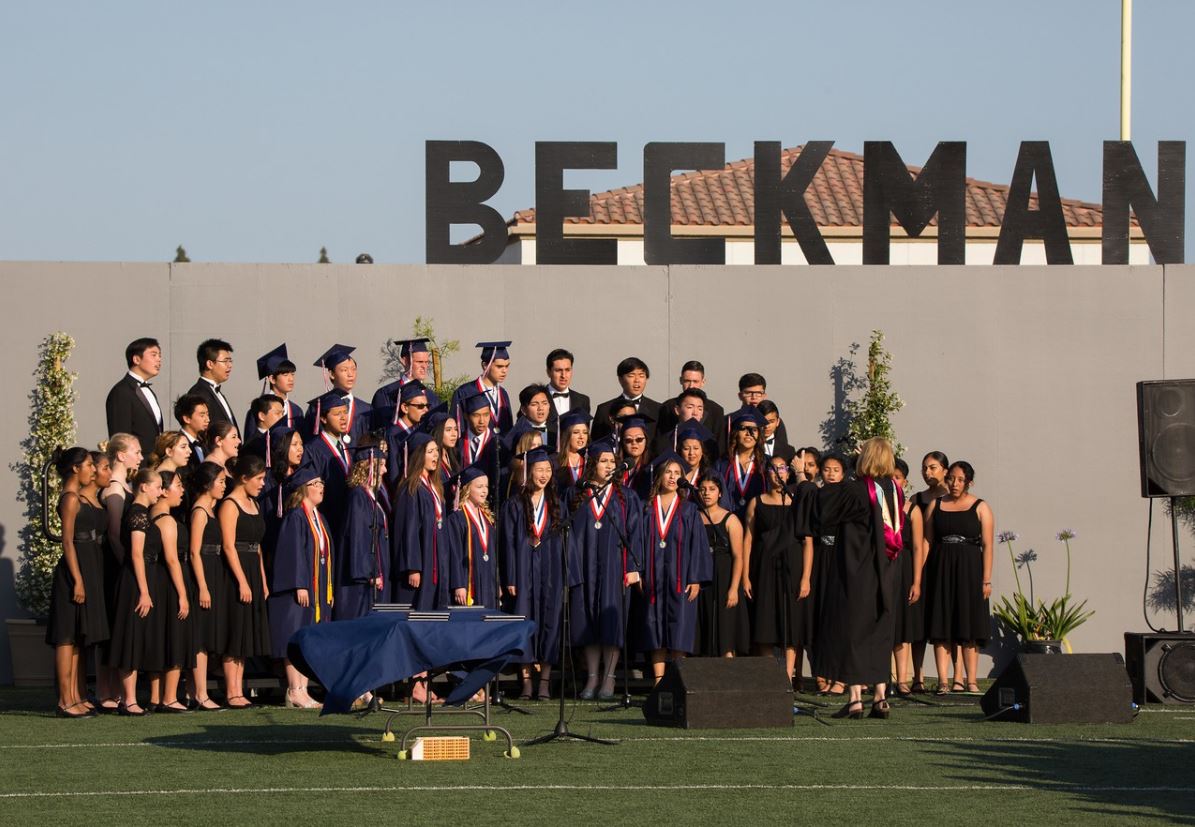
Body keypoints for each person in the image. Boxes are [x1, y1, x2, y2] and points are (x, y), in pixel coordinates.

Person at [813, 438, 904, 721]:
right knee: (879, 631)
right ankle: (880, 696)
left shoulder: (855, 490)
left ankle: (854, 699)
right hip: (886, 571)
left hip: (857, 572)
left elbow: (825, 510)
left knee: (853, 632)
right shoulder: (894, 490)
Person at [568, 437, 643, 699]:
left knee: (611, 623)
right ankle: (592, 678)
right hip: (585, 567)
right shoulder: (577, 495)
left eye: (612, 461)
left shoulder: (627, 497)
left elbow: (635, 534)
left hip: (615, 567)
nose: (609, 465)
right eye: (604, 461)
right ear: (593, 465)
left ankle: (610, 678)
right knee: (587, 622)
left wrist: (633, 567)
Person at [501, 447, 577, 700]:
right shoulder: (514, 504)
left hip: (550, 570)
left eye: (547, 470)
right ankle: (526, 683)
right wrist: (510, 576)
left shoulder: (557, 504)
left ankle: (544, 682)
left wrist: (568, 575)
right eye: (538, 469)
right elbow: (509, 542)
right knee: (524, 624)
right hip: (523, 570)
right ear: (528, 471)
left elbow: (568, 542)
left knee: (550, 623)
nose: (543, 474)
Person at [635, 452, 712, 682]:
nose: (672, 477)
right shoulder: (646, 508)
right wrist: (638, 571)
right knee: (654, 627)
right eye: (668, 472)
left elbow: (697, 546)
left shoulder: (688, 510)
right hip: (653, 577)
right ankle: (659, 681)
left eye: (677, 473)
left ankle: (679, 680)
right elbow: (637, 541)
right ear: (659, 475)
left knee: (680, 627)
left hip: (680, 577)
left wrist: (696, 578)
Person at [45, 448, 109, 717]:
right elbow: (68, 542)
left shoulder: (82, 498)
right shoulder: (70, 498)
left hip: (89, 565)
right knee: (66, 637)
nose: (92, 470)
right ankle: (64, 700)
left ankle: (75, 696)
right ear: (75, 469)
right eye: (88, 465)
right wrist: (78, 580)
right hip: (74, 571)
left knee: (78, 639)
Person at [923, 461, 994, 695]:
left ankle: (969, 680)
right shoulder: (936, 504)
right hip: (941, 569)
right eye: (951, 478)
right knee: (942, 624)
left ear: (969, 482)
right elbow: (927, 541)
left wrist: (986, 579)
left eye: (960, 479)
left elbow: (988, 545)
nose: (954, 483)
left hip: (970, 570)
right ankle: (944, 680)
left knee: (969, 625)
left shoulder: (981, 507)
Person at [269, 467, 333, 709]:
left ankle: (303, 690)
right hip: (298, 591)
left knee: (307, 639)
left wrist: (328, 589)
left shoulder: (318, 516)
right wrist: (299, 584)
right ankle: (295, 689)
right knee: (294, 638)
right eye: (316, 483)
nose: (321, 487)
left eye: (321, 483)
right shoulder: (296, 516)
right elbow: (292, 553)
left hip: (315, 591)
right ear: (304, 488)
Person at [744, 456, 809, 685]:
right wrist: (744, 576)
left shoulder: (797, 501)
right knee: (765, 622)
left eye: (782, 468)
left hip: (792, 566)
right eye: (772, 468)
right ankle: (770, 677)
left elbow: (807, 542)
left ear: (788, 472)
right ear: (765, 473)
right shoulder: (756, 502)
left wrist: (806, 578)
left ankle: (787, 679)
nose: (777, 472)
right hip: (763, 566)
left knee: (790, 625)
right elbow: (748, 540)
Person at [106, 468, 164, 716]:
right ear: (144, 486)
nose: (161, 492)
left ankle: (129, 698)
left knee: (138, 636)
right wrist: (144, 591)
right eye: (158, 486)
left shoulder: (142, 514)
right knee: (130, 636)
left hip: (142, 578)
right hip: (135, 582)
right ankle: (128, 700)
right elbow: (137, 554)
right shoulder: (138, 514)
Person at [218, 455, 270, 709]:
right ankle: (232, 691)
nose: (262, 484)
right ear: (244, 478)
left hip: (252, 569)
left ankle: (239, 690)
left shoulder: (255, 504)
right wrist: (242, 582)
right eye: (258, 479)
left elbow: (258, 547)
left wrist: (261, 579)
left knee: (246, 632)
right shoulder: (229, 504)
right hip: (235, 573)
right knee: (235, 630)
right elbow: (228, 546)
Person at [97, 433, 142, 711]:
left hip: (123, 565)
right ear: (121, 455)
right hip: (115, 567)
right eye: (135, 451)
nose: (140, 455)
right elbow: (113, 534)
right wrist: (130, 565)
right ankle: (105, 692)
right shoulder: (114, 490)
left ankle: (111, 691)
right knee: (110, 627)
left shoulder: (124, 486)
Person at [151, 470, 194, 713]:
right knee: (175, 636)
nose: (182, 490)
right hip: (171, 581)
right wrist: (183, 594)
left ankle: (158, 697)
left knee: (162, 637)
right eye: (178, 485)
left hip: (159, 581)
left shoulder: (152, 515)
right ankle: (169, 697)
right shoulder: (166, 520)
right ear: (164, 491)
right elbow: (172, 559)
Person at [392, 433, 451, 609]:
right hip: (421, 563)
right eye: (430, 452)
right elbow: (408, 529)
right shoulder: (411, 489)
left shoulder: (435, 487)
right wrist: (413, 567)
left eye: (437, 451)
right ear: (419, 456)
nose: (436, 456)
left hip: (435, 559)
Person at [186, 462, 227, 710]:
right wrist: (202, 586)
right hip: (204, 574)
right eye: (220, 481)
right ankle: (200, 694)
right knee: (200, 638)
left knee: (207, 636)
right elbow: (194, 551)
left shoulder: (211, 509)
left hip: (214, 571)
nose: (223, 486)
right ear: (207, 483)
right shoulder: (200, 511)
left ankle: (196, 691)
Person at [694, 473, 748, 658]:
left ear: (719, 493)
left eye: (711, 489)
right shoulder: (694, 517)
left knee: (725, 630)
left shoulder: (730, 519)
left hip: (725, 578)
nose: (706, 493)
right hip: (703, 578)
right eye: (702, 489)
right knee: (704, 627)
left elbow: (738, 556)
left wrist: (734, 588)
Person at [334, 439, 389, 620]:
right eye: (380, 465)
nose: (385, 470)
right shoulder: (358, 495)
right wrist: (369, 573)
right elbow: (358, 537)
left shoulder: (371, 495)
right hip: (362, 582)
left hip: (373, 576)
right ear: (368, 466)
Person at [910, 450, 951, 692]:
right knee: (919, 622)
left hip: (944, 565)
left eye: (933, 467)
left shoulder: (951, 499)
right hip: (922, 566)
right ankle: (918, 677)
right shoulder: (917, 499)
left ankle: (953, 678)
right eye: (924, 468)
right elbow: (918, 539)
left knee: (943, 621)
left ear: (945, 470)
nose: (928, 472)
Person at [809, 453, 846, 694]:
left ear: (844, 474)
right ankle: (820, 673)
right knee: (818, 616)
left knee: (839, 618)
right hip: (820, 557)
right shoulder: (816, 496)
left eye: (836, 470)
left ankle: (840, 677)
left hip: (842, 559)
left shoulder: (849, 497)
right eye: (827, 469)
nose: (831, 474)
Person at [891, 458, 927, 696]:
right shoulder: (879, 506)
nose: (894, 481)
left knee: (902, 628)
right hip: (883, 566)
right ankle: (883, 677)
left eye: (898, 477)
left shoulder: (913, 510)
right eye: (889, 476)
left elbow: (917, 547)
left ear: (904, 481)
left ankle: (903, 680)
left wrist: (916, 581)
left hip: (904, 568)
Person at [444, 465, 499, 609]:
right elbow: (454, 554)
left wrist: (497, 582)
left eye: (486, 486)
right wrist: (458, 585)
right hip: (468, 583)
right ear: (467, 489)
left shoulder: (487, 518)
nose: (484, 491)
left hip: (488, 580)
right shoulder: (456, 518)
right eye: (479, 486)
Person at [304, 391, 353, 536]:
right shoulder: (313, 449)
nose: (343, 418)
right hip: (328, 519)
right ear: (324, 418)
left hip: (347, 519)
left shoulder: (347, 445)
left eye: (345, 412)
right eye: (337, 414)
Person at [304, 344, 372, 444]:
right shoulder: (317, 408)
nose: (350, 374)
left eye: (353, 369)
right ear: (331, 374)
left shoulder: (366, 409)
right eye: (344, 370)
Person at [105, 337, 164, 452]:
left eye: (159, 355)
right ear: (136, 359)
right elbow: (120, 436)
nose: (159, 360)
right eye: (154, 355)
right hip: (137, 464)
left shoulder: (149, 391)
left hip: (153, 463)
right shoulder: (121, 391)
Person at [656, 360, 726, 447]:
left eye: (695, 381)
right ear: (681, 380)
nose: (691, 386)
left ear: (703, 382)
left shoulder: (716, 410)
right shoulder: (667, 407)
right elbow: (660, 440)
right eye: (687, 381)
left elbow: (720, 445)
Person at [372, 338, 442, 424]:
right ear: (405, 361)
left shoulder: (432, 397)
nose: (424, 366)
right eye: (419, 362)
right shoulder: (386, 394)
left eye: (426, 362)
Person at [451, 341, 514, 436]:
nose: (504, 371)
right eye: (499, 366)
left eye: (507, 366)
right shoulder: (464, 392)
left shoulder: (503, 393)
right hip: (474, 448)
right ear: (485, 365)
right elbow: (458, 428)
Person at [715, 407, 767, 522]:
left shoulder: (766, 464)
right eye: (743, 428)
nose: (748, 433)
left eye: (753, 429)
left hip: (757, 523)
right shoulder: (722, 464)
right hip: (727, 522)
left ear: (759, 434)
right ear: (735, 433)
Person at [592, 357, 661, 442]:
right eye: (631, 376)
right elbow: (596, 442)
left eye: (641, 376)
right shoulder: (604, 409)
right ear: (620, 379)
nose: (637, 380)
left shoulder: (658, 409)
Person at [187, 338, 239, 438]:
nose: (230, 365)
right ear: (210, 364)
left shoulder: (216, 392)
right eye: (225, 361)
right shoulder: (198, 393)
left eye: (230, 361)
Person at [384, 381, 432, 489]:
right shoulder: (393, 434)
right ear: (405, 408)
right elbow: (393, 472)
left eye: (427, 406)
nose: (426, 410)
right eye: (420, 406)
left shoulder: (419, 430)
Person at [246, 344, 303, 433]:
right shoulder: (258, 409)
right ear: (272, 379)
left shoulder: (296, 410)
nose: (291, 379)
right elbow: (250, 442)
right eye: (285, 375)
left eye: (292, 374)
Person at [652, 388, 718, 458]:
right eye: (690, 407)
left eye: (700, 409)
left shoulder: (709, 442)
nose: (695, 413)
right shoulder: (664, 442)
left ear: (702, 414)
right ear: (677, 410)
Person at [544, 348, 591, 433]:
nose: (564, 375)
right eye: (558, 370)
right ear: (548, 372)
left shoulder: (583, 401)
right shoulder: (536, 398)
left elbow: (585, 434)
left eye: (567, 370)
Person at [736, 373, 790, 447]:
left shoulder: (774, 421)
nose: (754, 397)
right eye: (748, 393)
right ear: (740, 395)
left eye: (758, 393)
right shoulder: (730, 420)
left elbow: (782, 449)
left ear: (764, 396)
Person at [552, 409, 590, 496]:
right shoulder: (554, 461)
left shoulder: (590, 460)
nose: (581, 437)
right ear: (567, 435)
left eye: (585, 433)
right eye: (576, 432)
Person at [617, 413, 655, 500]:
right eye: (628, 440)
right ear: (622, 443)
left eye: (639, 439)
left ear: (646, 440)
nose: (634, 443)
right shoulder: (616, 467)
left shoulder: (653, 469)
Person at [174, 394, 210, 468]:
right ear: (187, 419)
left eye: (207, 414)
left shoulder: (203, 442)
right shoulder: (177, 445)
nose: (208, 420)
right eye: (202, 415)